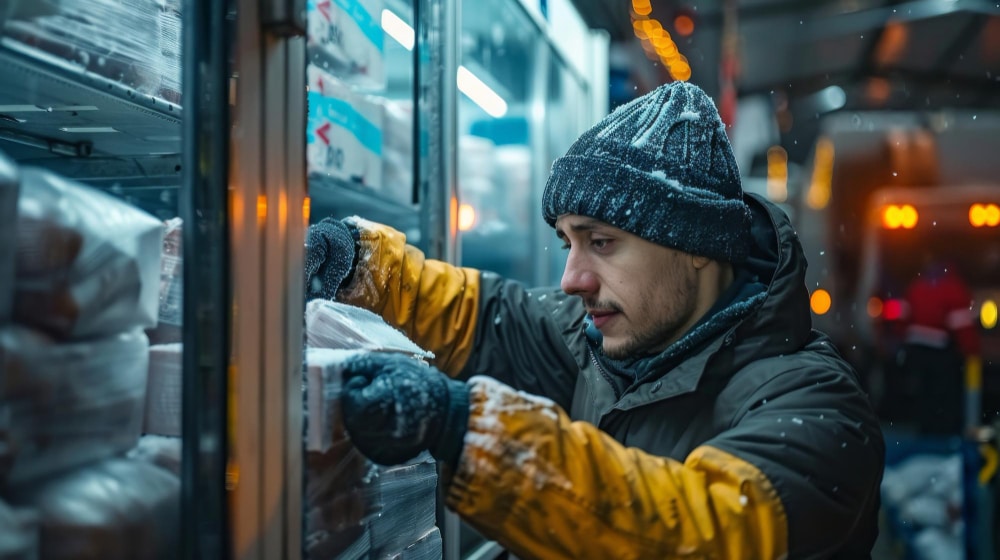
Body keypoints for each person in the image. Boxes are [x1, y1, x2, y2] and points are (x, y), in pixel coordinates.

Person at [305, 82, 885, 559]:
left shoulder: (817, 407)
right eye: (568, 245)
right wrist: (360, 265)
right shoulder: (601, 340)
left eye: (602, 242)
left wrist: (465, 430)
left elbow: (693, 531)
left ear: (698, 246)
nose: (572, 279)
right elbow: (482, 315)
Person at [900, 257, 982, 435]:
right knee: (942, 394)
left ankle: (924, 429)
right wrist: (972, 350)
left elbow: (904, 316)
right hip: (939, 350)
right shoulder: (954, 289)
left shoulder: (918, 286)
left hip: (916, 348)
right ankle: (941, 433)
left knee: (923, 392)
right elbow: (962, 326)